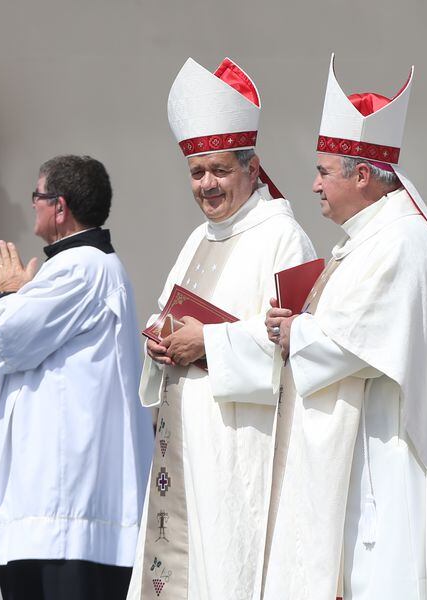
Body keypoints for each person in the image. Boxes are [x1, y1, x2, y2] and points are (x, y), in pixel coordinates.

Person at [262, 55, 427, 600]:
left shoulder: (401, 240)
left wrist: (298, 333)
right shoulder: (372, 236)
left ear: (362, 175)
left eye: (323, 171)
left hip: (389, 448)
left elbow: (358, 341)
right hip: (367, 439)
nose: (314, 185)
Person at [125, 57, 315, 600]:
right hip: (183, 441)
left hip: (238, 449)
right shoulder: (198, 239)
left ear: (252, 170)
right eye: (196, 172)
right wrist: (159, 339)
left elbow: (294, 345)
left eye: (220, 170)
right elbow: (168, 314)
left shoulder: (284, 238)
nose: (207, 184)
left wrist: (205, 341)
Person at [0, 154, 153, 600]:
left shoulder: (84, 267)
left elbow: (5, 338)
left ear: (59, 206)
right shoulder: (76, 267)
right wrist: (22, 294)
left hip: (62, 498)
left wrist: (11, 293)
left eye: (37, 196)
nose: (31, 204)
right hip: (49, 495)